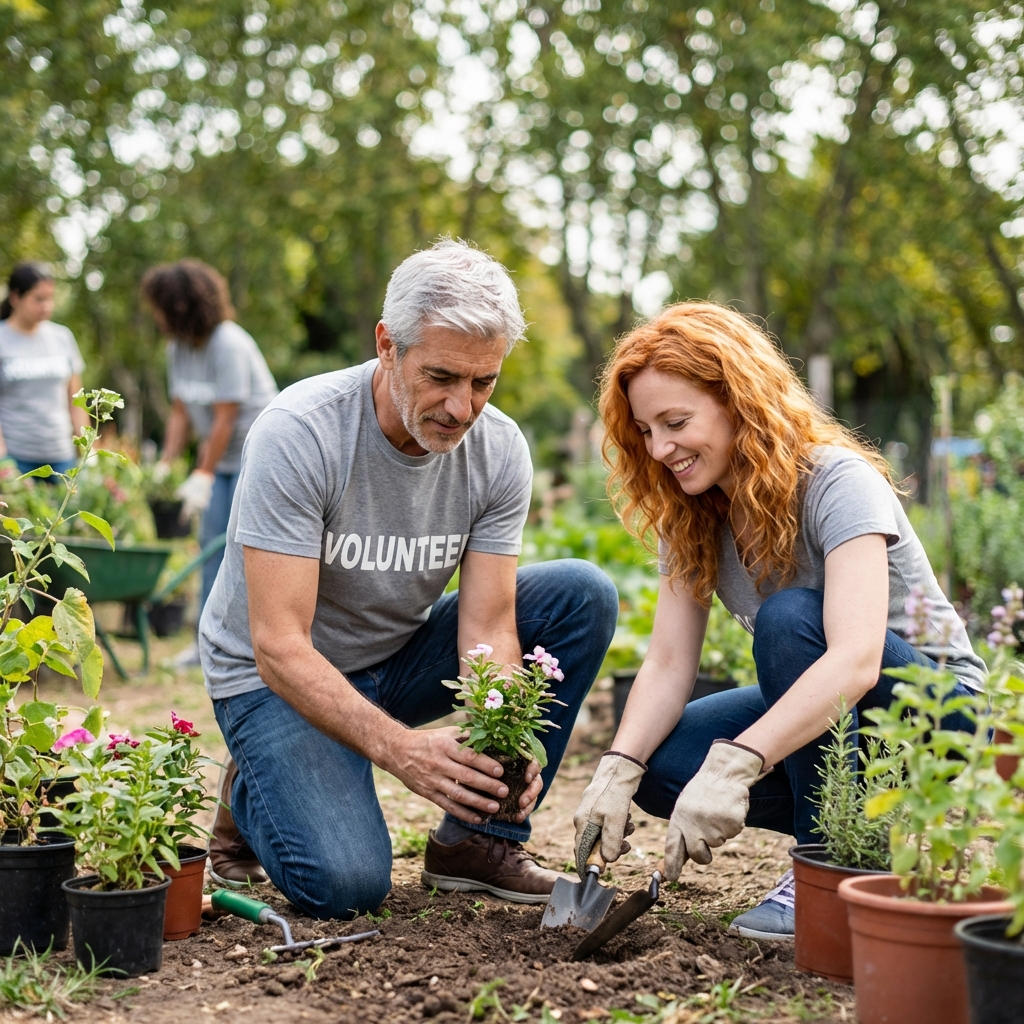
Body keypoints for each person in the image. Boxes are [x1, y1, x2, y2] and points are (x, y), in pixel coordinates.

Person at [200, 240, 619, 908]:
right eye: (442, 377)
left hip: (392, 657)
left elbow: (487, 625)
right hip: (273, 678)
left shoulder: (500, 449)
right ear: (387, 344)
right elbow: (278, 644)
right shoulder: (301, 432)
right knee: (344, 884)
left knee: (580, 594)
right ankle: (252, 779)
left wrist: (507, 736)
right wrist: (405, 752)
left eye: (484, 382)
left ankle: (481, 844)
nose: (462, 407)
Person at [572, 302, 986, 941]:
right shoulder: (695, 512)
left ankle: (828, 866)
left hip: (934, 709)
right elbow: (669, 662)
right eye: (646, 431)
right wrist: (617, 767)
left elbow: (855, 659)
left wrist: (738, 763)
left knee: (790, 617)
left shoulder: (835, 481)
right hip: (834, 712)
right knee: (663, 764)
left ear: (739, 400)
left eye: (675, 422)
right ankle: (863, 832)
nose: (660, 449)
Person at [141, 260, 278, 665]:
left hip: (259, 457)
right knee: (210, 545)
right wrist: (166, 464)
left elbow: (225, 417)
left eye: (159, 307)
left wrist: (201, 472)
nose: (155, 316)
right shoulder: (178, 349)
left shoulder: (228, 344)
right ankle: (208, 644)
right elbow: (181, 411)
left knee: (250, 548)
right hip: (220, 462)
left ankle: (258, 646)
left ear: (179, 306)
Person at [0, 263, 88, 474]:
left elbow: (76, 399)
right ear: (15, 297)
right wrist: (3, 458)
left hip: (62, 456)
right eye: (39, 299)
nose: (47, 305)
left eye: (50, 298)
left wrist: (85, 448)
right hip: (15, 459)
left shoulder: (62, 338)